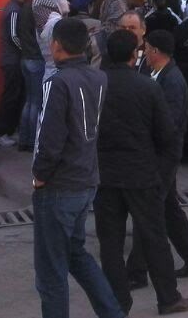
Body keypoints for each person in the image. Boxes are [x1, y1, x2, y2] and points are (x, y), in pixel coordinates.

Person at [94, 30, 188, 315]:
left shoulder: (95, 86)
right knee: (154, 237)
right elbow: (167, 134)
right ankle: (168, 298)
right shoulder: (147, 87)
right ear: (133, 55)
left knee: (110, 244)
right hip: (141, 173)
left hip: (105, 175)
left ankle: (117, 302)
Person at [31, 17, 124, 318]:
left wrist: (40, 176)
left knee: (51, 271)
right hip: (86, 178)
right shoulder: (99, 77)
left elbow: (50, 138)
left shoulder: (56, 83)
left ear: (56, 45)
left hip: (59, 184)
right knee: (75, 253)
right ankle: (112, 312)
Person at [127, 30, 188, 285]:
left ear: (156, 51)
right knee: (168, 210)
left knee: (148, 212)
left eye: (147, 48)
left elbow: (169, 124)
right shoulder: (150, 73)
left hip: (163, 156)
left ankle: (136, 272)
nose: (143, 52)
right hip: (154, 153)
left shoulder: (173, 81)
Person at [0, 0, 31, 148]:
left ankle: (9, 130)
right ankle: (0, 132)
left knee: (17, 96)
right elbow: (14, 36)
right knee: (11, 96)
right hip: (12, 60)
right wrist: (27, 50)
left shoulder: (16, 8)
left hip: (15, 59)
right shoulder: (14, 10)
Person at [16, 0, 48, 152]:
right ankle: (31, 140)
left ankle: (24, 139)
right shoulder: (38, 8)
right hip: (35, 58)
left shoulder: (27, 6)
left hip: (26, 58)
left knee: (30, 100)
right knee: (36, 101)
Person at [35, 0, 70, 82]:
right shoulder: (56, 23)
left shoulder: (44, 22)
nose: (68, 3)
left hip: (49, 71)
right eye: (64, 0)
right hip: (59, 73)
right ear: (54, 4)